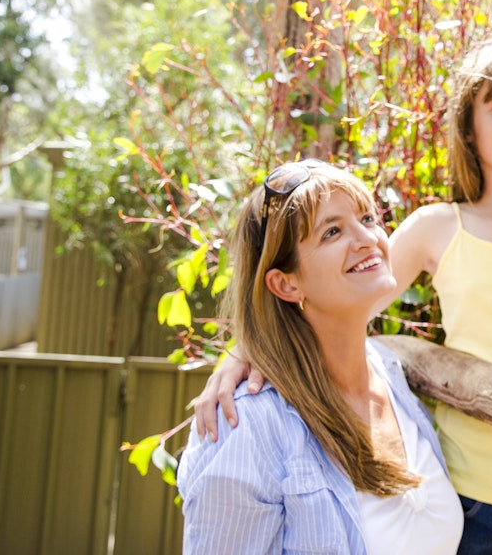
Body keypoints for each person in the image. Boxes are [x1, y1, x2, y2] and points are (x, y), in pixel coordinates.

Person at [194, 38, 492, 554]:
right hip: (471, 497)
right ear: (469, 129)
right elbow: (333, 305)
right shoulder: (437, 229)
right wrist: (240, 355)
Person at [177, 161, 463, 555]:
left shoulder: (392, 376)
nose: (367, 238)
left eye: (367, 217)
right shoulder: (246, 426)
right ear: (285, 283)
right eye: (332, 232)